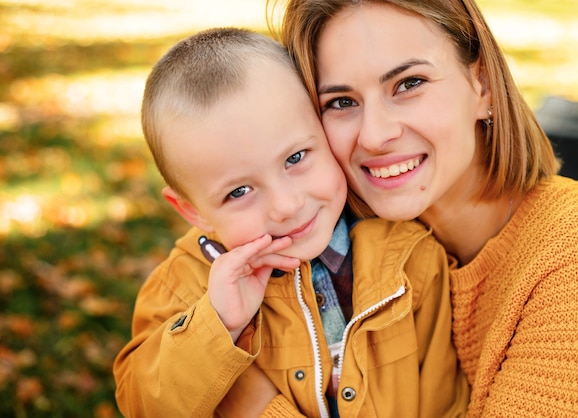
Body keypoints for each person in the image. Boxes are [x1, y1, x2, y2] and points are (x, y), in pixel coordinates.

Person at [262, 0, 578, 416]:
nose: (376, 135)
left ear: (483, 87)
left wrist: (251, 402)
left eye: (409, 83)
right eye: (342, 102)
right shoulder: (336, 249)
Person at [113, 27, 470, 417]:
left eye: (296, 158)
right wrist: (217, 326)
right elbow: (142, 406)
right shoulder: (183, 288)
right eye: (239, 192)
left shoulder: (410, 259)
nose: (284, 205)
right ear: (192, 211)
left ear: (323, 128)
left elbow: (444, 402)